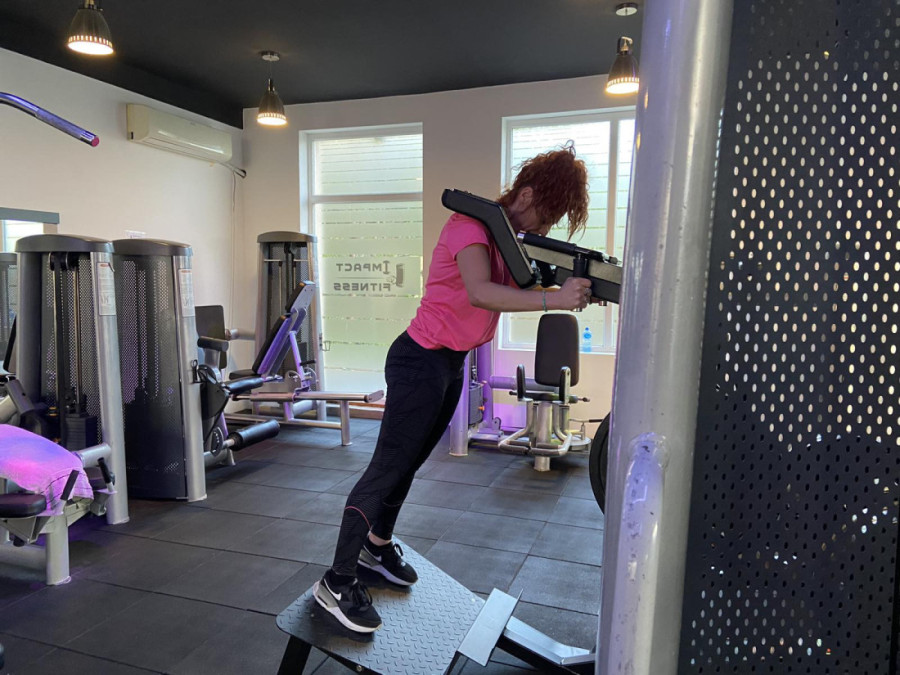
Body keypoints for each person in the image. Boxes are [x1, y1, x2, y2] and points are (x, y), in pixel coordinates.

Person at [313, 143, 594, 633]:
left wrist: (568, 284)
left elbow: (513, 289)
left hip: (449, 364)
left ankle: (376, 548)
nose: (546, 228)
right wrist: (555, 299)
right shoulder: (470, 226)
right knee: (386, 468)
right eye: (546, 215)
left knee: (410, 463)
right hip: (418, 361)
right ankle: (336, 582)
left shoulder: (507, 239)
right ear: (527, 194)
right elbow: (481, 292)